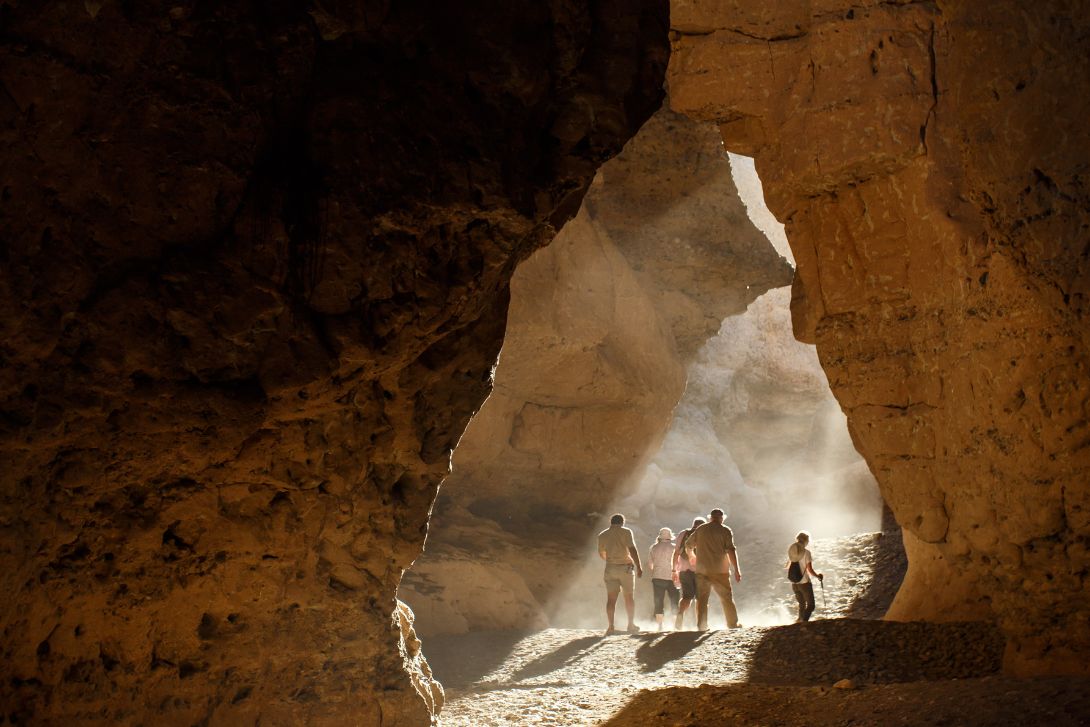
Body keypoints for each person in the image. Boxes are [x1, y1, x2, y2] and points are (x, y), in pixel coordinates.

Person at [685, 508, 741, 630]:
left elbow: (688, 545)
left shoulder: (701, 529)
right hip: (720, 571)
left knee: (702, 599)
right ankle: (732, 624)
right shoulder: (725, 530)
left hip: (702, 571)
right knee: (726, 598)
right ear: (722, 518)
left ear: (710, 518)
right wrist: (737, 569)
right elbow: (731, 550)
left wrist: (691, 556)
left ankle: (702, 625)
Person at [597, 513, 643, 634]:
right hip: (625, 568)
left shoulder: (602, 535)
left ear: (610, 522)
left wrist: (611, 559)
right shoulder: (626, 532)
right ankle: (630, 625)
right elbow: (632, 549)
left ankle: (611, 626)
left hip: (610, 568)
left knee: (611, 599)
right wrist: (639, 566)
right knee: (628, 597)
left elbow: (601, 553)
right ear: (622, 522)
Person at [672, 517, 705, 630]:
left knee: (687, 597)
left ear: (693, 524)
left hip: (684, 571)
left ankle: (680, 615)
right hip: (701, 572)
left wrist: (674, 570)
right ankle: (701, 623)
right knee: (701, 598)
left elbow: (676, 553)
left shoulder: (684, 533)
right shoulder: (705, 534)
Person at [648, 527, 680, 631]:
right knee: (674, 601)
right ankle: (675, 625)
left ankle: (659, 626)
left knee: (659, 601)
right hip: (672, 577)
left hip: (657, 577)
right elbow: (678, 563)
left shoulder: (654, 547)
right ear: (670, 536)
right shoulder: (675, 547)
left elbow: (650, 565)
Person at [787, 531, 823, 622]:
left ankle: (799, 621)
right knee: (811, 605)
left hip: (794, 583)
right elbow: (809, 570)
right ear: (806, 540)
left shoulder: (793, 551)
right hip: (804, 583)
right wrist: (818, 576)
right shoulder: (806, 553)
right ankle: (804, 622)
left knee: (802, 604)